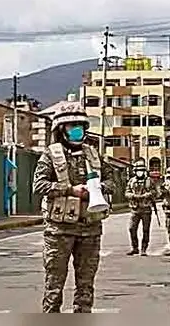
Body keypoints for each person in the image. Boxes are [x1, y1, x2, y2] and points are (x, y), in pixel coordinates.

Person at [32, 106, 114, 313]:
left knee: (85, 286)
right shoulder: (50, 155)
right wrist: (70, 190)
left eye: (80, 126)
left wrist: (98, 188)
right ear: (62, 129)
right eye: (72, 126)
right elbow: (39, 185)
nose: (77, 130)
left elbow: (112, 181)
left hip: (90, 229)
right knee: (54, 285)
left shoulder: (93, 154)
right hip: (59, 231)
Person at [125, 158, 159, 256]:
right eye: (138, 170)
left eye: (142, 170)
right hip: (135, 209)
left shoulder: (149, 181)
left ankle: (144, 248)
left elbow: (155, 192)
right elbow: (127, 192)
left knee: (145, 230)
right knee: (132, 228)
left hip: (146, 209)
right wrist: (132, 196)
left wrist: (147, 195)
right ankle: (135, 247)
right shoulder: (131, 181)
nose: (140, 172)